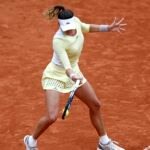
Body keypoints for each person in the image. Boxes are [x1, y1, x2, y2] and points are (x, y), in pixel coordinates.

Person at [23, 5, 126, 150]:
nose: (70, 30)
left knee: (95, 105)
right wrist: (72, 75)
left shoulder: (76, 22)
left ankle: (104, 143)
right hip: (56, 76)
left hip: (74, 73)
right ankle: (31, 141)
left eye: (71, 26)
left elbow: (88, 27)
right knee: (52, 116)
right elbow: (66, 66)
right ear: (59, 25)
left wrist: (107, 28)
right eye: (66, 28)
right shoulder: (58, 40)